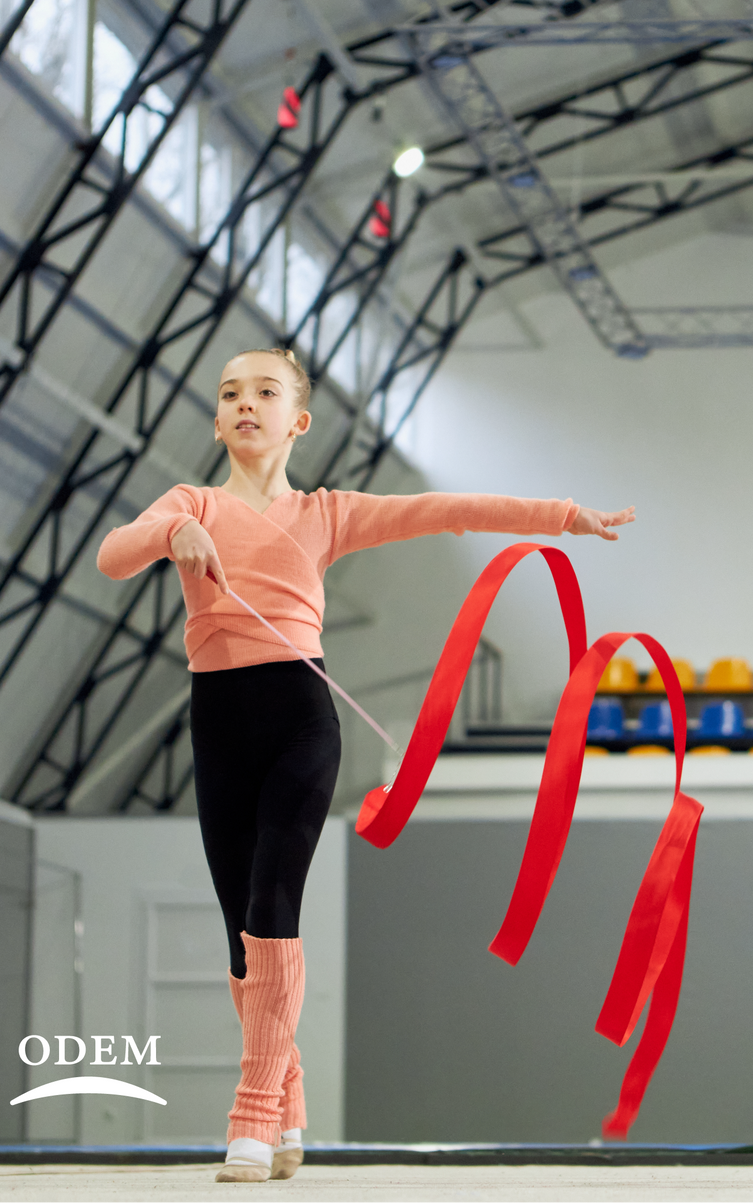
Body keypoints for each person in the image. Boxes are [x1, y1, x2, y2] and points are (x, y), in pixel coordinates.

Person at [97, 348, 634, 1183]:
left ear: (297, 421)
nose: (246, 404)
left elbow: (445, 508)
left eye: (265, 392)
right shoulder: (190, 501)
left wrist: (561, 514)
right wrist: (173, 529)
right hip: (219, 724)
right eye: (230, 393)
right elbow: (113, 555)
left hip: (300, 725)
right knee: (242, 939)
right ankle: (289, 1106)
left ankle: (248, 1114)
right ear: (216, 418)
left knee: (273, 908)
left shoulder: (328, 513)